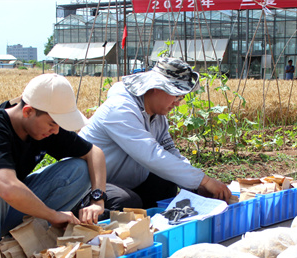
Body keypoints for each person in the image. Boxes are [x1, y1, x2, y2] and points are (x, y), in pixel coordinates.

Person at [0, 74, 106, 248]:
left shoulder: (42, 125)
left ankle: (31, 237)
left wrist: (97, 200)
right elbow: (8, 188)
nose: (56, 131)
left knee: (79, 168)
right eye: (52, 124)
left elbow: (95, 153)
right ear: (28, 111)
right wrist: (52, 215)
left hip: (4, 210)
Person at [79, 57, 232, 210]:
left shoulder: (158, 117)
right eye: (176, 95)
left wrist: (198, 184)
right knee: (126, 202)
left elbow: (170, 152)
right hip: (89, 186)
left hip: (121, 182)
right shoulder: (120, 109)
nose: (178, 103)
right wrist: (204, 181)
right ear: (156, 87)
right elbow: (152, 155)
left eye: (182, 97)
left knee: (168, 180)